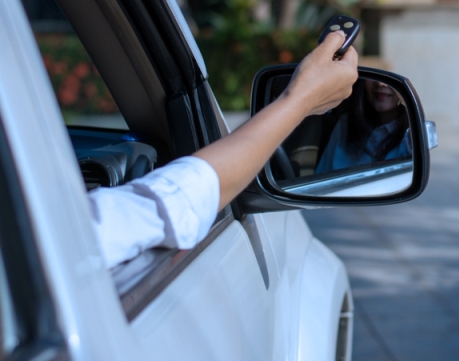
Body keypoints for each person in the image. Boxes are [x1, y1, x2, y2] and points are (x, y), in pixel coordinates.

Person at [88, 32, 358, 268]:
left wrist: (302, 97)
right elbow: (175, 203)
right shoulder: (77, 239)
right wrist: (300, 98)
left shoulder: (70, 233)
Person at [315, 78, 410, 173]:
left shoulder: (411, 136)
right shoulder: (346, 123)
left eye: (390, 76)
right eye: (373, 74)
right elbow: (322, 174)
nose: (380, 83)